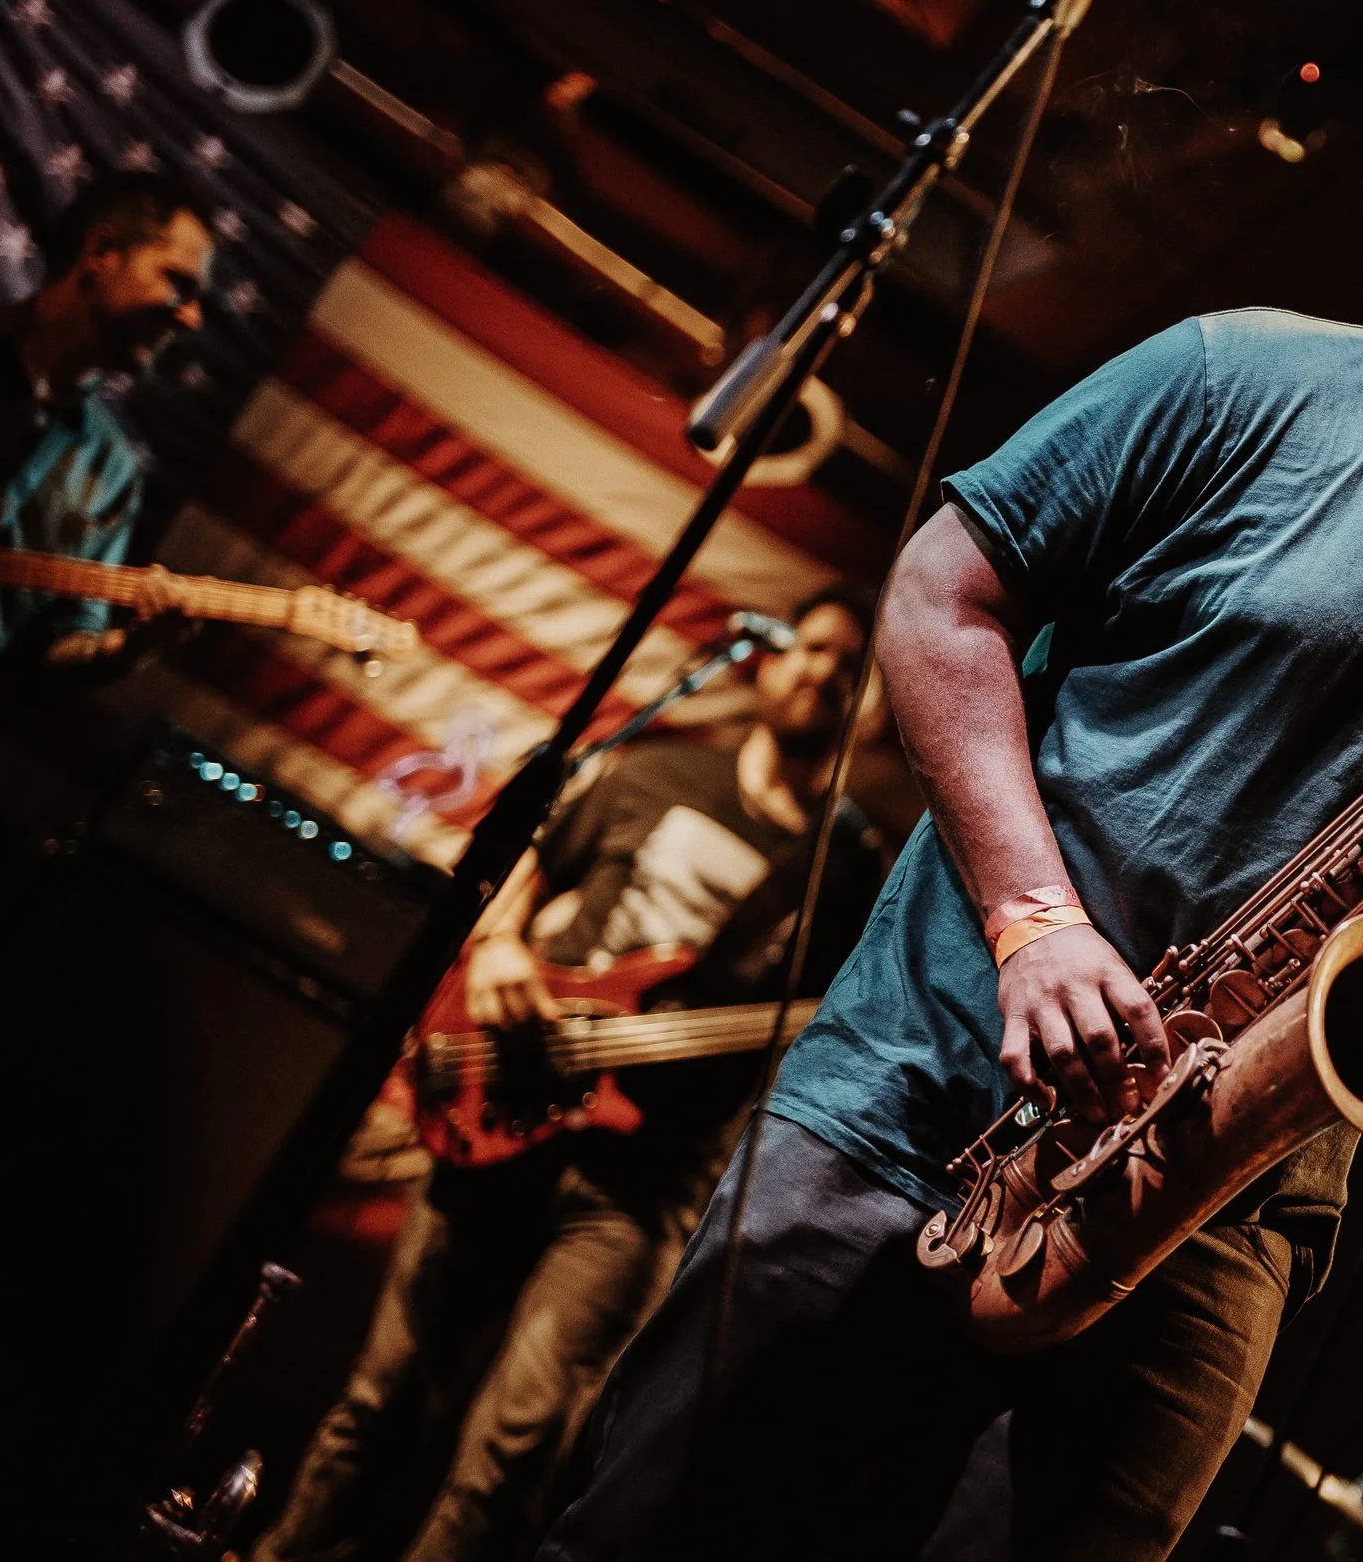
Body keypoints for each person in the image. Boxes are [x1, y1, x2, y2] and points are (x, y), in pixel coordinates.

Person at [540, 126, 1363, 1562]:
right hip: (919, 1103)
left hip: (1220, 1224)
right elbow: (936, 595)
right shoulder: (1250, 373)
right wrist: (1036, 924)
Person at [250, 591, 886, 1562]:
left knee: (510, 1454)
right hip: (502, 1097)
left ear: (873, 707)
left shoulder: (854, 874)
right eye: (813, 649)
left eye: (853, 667)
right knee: (382, 1398)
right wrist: (500, 947)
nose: (824, 674)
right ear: (769, 661)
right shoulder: (659, 772)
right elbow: (526, 868)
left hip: (641, 1182)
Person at [0, 170, 214, 663]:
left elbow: (63, 642)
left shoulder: (113, 474)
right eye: (178, 283)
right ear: (100, 253)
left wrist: (130, 645)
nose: (191, 318)